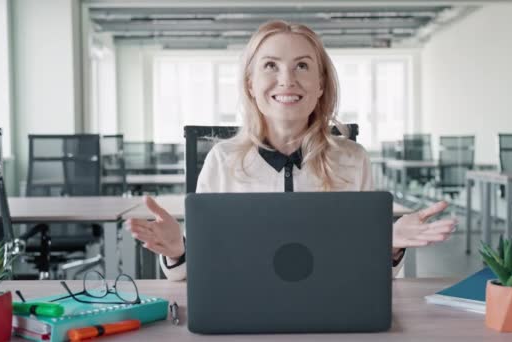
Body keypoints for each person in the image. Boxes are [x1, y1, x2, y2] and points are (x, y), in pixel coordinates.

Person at [126, 20, 457, 281]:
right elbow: (190, 275)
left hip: (331, 315)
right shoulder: (222, 161)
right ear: (250, 84)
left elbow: (371, 275)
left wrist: (390, 244)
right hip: (242, 315)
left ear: (321, 85)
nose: (287, 80)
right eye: (270, 65)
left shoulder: (352, 159)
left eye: (302, 66)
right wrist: (176, 250)